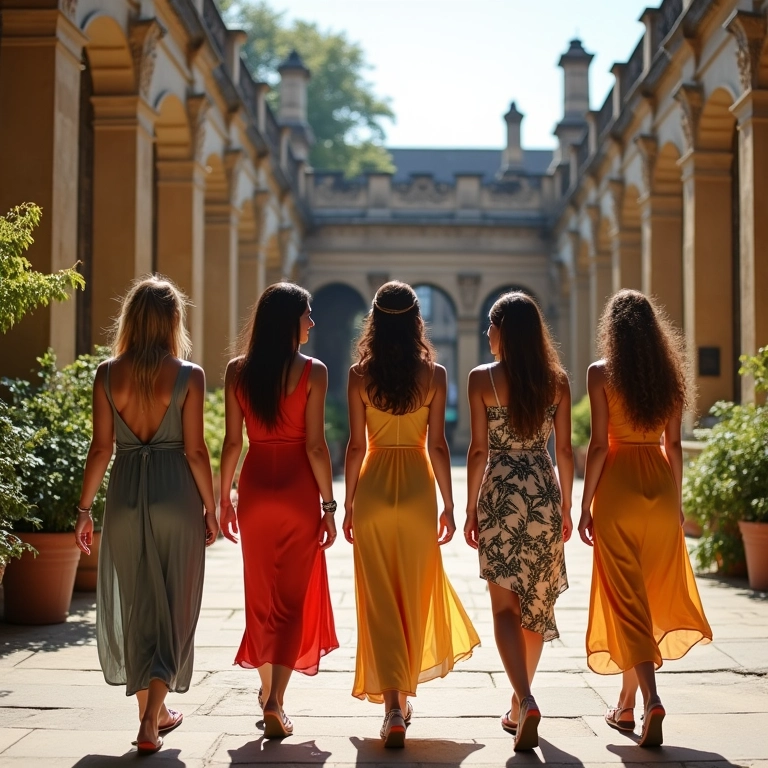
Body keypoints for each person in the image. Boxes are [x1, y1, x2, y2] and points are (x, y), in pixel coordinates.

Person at [74, 275, 218, 755]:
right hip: (175, 491)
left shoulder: (106, 374)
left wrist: (83, 508)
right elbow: (196, 451)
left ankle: (149, 713)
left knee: (136, 603)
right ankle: (152, 721)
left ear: (130, 320)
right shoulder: (188, 375)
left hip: (124, 494)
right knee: (175, 606)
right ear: (174, 320)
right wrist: (212, 509)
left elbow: (100, 449)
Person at [343, 280, 480, 748]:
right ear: (417, 321)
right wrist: (449, 503)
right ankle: (403, 694)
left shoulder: (360, 375)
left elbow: (356, 444)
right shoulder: (435, 376)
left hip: (375, 484)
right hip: (419, 486)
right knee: (414, 590)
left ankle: (393, 707)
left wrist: (347, 502)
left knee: (379, 595)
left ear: (376, 322)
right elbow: (439, 444)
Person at [578, 289, 712, 747]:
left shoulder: (601, 373)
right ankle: (626, 703)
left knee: (627, 601)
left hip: (617, 487)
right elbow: (673, 446)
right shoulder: (669, 376)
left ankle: (651, 698)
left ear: (611, 330)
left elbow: (597, 445)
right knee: (646, 599)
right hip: (658, 485)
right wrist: (676, 502)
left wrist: (583, 506)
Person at [219, 282, 338, 739]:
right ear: (290, 319)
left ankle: (266, 689)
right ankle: (276, 701)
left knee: (261, 595)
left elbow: (232, 442)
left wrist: (221, 497)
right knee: (290, 601)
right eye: (307, 314)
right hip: (295, 490)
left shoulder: (236, 371)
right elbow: (314, 445)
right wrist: (328, 504)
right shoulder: (313, 371)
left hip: (253, 486)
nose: (312, 322)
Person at [465, 291, 573, 751]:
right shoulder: (558, 382)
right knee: (535, 607)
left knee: (505, 607)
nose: (487, 334)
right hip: (543, 493)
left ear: (503, 330)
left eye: (491, 326)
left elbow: (477, 451)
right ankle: (518, 701)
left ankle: (524, 700)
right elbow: (564, 452)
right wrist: (567, 507)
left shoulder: (482, 379)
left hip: (501, 493)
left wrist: (469, 507)